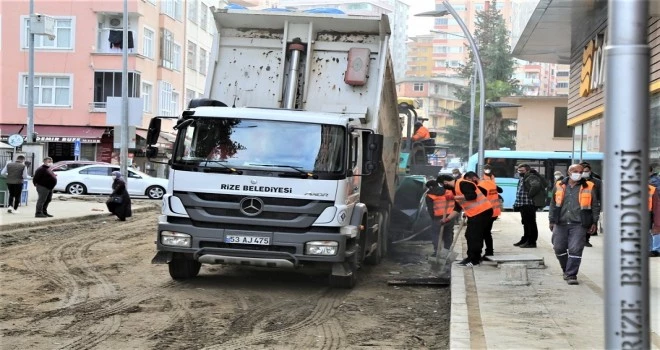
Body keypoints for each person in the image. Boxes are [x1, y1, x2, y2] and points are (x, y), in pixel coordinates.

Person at [549, 163, 599, 285]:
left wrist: (594, 222)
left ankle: (571, 275)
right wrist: (551, 219)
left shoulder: (589, 186)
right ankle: (566, 269)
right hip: (560, 222)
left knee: (575, 249)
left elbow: (594, 206)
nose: (579, 173)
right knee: (558, 248)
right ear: (569, 172)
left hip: (579, 223)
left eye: (581, 172)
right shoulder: (559, 185)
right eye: (576, 171)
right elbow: (553, 203)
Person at [438, 172, 493, 267]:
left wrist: (454, 197)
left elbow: (472, 196)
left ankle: (475, 260)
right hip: (474, 214)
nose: (443, 187)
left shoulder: (463, 183)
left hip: (482, 212)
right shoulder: (455, 189)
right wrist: (447, 219)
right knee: (469, 235)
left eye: (442, 185)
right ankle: (470, 257)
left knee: (475, 236)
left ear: (445, 182)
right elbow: (457, 208)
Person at [512, 163, 545, 248]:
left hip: (528, 204)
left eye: (522, 170)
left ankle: (531, 242)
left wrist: (529, 195)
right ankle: (525, 239)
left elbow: (536, 186)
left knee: (530, 223)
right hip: (523, 204)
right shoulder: (523, 177)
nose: (520, 172)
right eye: (519, 170)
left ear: (527, 170)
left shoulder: (531, 177)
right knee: (525, 223)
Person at [425, 180, 456, 258]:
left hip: (438, 217)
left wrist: (433, 218)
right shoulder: (449, 191)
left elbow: (430, 209)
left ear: (431, 187)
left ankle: (437, 252)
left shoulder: (429, 195)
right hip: (450, 216)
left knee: (436, 234)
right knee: (448, 233)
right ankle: (446, 251)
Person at [475, 174, 502, 258]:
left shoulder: (479, 187)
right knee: (487, 232)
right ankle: (489, 251)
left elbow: (478, 201)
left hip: (486, 212)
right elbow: (500, 190)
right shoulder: (490, 183)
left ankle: (487, 252)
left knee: (483, 233)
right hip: (495, 211)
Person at [579, 162, 602, 246]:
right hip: (579, 205)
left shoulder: (596, 182)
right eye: (583, 171)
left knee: (588, 222)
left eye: (586, 171)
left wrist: (600, 205)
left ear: (590, 171)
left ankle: (586, 239)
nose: (585, 173)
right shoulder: (577, 181)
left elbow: (601, 194)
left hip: (591, 205)